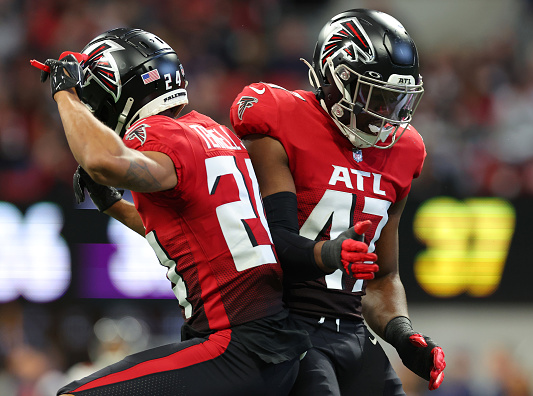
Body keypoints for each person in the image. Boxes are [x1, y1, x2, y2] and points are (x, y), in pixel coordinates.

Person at [37, 27, 321, 396]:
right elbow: (186, 231)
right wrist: (113, 205)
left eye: (95, 98)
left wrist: (65, 95)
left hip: (234, 346)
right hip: (267, 343)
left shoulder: (158, 135)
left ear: (121, 91)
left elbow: (99, 158)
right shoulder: (212, 131)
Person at [229, 8, 446, 395]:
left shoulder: (405, 151)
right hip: (285, 325)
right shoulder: (282, 119)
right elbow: (270, 242)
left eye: (395, 102)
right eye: (376, 97)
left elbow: (382, 277)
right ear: (336, 79)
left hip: (352, 331)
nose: (386, 117)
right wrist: (330, 253)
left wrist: (402, 334)